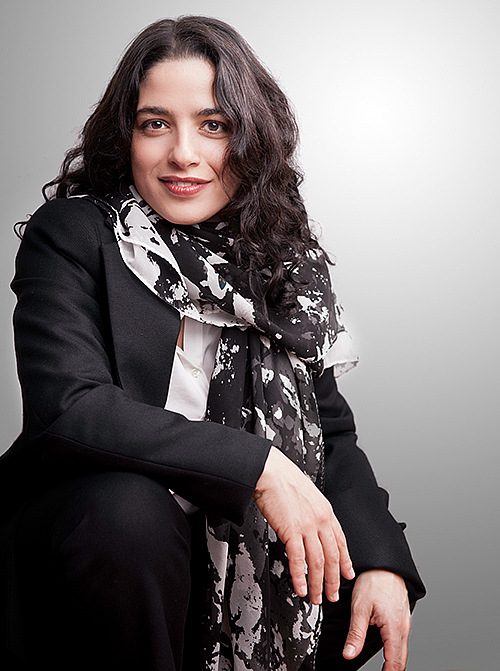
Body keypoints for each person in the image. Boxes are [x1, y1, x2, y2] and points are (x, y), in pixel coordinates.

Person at [0, 15, 425, 671]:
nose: (183, 154)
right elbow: (71, 406)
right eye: (155, 124)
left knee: (345, 568)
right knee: (127, 512)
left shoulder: (278, 266)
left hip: (229, 563)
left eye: (214, 125)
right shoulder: (76, 235)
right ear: (126, 135)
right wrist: (257, 466)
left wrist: (381, 561)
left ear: (249, 138)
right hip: (101, 551)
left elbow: (332, 434)